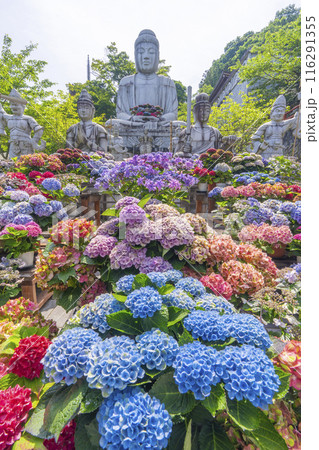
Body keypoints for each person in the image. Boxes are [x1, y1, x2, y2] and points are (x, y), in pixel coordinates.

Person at [116, 29, 178, 124]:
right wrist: (132, 119)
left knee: (181, 124)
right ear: (135, 56)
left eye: (151, 52)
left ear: (158, 56)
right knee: (111, 123)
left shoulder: (167, 83)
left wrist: (159, 120)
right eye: (141, 52)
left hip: (160, 126)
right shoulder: (126, 83)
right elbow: (120, 113)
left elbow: (173, 114)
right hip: (132, 125)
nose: (146, 56)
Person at [0, 89, 45, 159]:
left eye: (16, 105)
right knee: (12, 166)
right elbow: (1, 112)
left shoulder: (28, 118)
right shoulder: (8, 117)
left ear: (23, 107)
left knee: (27, 165)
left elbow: (39, 129)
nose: (13, 107)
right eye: (12, 105)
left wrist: (34, 142)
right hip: (13, 146)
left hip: (26, 145)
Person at [251, 94, 300, 159]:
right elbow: (254, 138)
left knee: (279, 166)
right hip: (267, 150)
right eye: (277, 111)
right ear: (272, 112)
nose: (279, 113)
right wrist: (260, 146)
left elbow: (296, 120)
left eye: (282, 111)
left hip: (279, 150)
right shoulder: (266, 125)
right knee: (267, 165)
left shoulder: (285, 124)